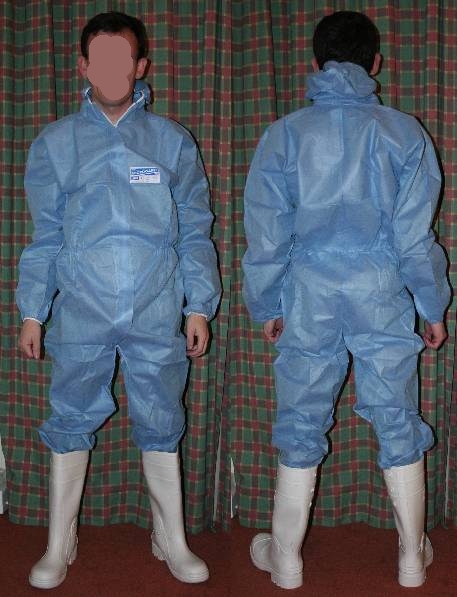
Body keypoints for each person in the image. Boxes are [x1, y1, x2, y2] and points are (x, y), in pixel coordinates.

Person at [242, 10, 450, 591]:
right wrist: (431, 306)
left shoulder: (284, 134)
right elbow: (415, 237)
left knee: (301, 418)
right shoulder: (404, 132)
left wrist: (267, 304)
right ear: (375, 63)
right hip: (381, 288)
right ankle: (411, 557)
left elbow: (266, 234)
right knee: (397, 415)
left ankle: (286, 559)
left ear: (315, 62)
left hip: (308, 291)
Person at [17, 11, 220, 589]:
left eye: (122, 58)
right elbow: (45, 236)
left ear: (140, 66)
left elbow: (195, 230)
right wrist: (33, 310)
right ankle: (59, 543)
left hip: (157, 307)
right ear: (83, 66)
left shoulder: (171, 142)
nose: (111, 70)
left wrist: (198, 305)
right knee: (70, 417)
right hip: (82, 309)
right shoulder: (56, 143)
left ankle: (170, 538)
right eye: (99, 59)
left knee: (162, 418)